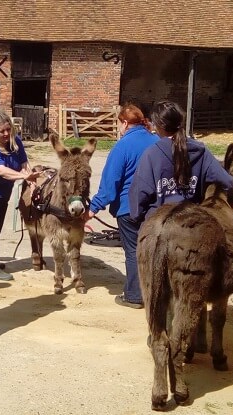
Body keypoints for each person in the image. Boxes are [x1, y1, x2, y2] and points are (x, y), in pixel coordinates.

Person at [86, 103, 158, 309]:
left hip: (129, 208)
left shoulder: (122, 146)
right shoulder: (156, 141)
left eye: (119, 123)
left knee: (134, 251)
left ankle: (135, 295)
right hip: (155, 209)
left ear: (124, 123)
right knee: (153, 251)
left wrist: (93, 208)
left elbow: (110, 184)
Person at [129, 100, 233, 221]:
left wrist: (138, 216)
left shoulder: (152, 154)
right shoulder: (201, 151)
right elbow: (227, 182)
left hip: (160, 220)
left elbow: (139, 193)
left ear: (159, 126)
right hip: (192, 219)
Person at [0, 110, 40, 281]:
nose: (6, 134)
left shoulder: (15, 142)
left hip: (4, 194)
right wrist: (23, 176)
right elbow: (0, 171)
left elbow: (24, 164)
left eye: (8, 130)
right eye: (2, 131)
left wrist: (32, 182)